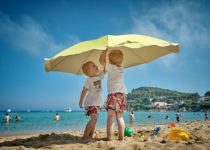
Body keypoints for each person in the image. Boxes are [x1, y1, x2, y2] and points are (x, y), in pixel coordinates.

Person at [100, 49, 127, 141]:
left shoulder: (112, 68)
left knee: (111, 116)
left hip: (113, 94)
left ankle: (109, 137)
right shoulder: (121, 69)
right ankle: (121, 138)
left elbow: (101, 61)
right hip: (122, 95)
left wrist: (104, 52)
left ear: (110, 61)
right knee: (119, 116)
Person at [79, 61, 105, 139]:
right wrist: (81, 101)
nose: (96, 66)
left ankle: (91, 135)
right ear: (89, 71)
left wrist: (103, 60)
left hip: (97, 103)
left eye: (95, 65)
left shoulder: (99, 76)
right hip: (91, 103)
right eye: (93, 66)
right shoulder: (88, 80)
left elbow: (105, 69)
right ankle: (85, 136)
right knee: (94, 119)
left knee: (95, 120)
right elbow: (84, 90)